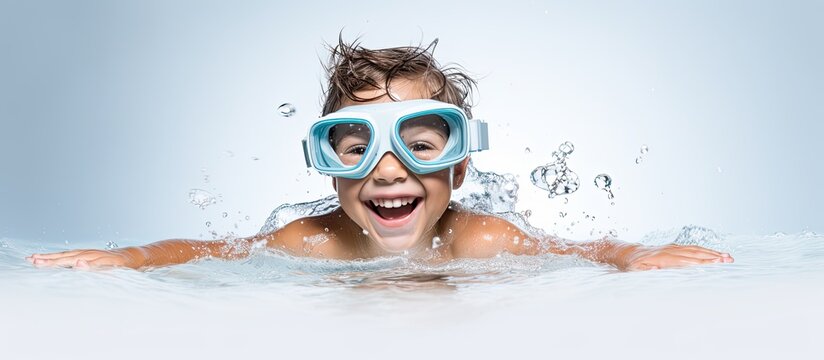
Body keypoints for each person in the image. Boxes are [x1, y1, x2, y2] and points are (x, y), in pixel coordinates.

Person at [27, 37, 733, 271]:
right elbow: (212, 253)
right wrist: (131, 259)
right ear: (326, 165)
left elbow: (580, 254)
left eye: (419, 145)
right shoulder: (311, 242)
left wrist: (636, 257)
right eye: (355, 147)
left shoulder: (482, 237)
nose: (386, 169)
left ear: (459, 165)